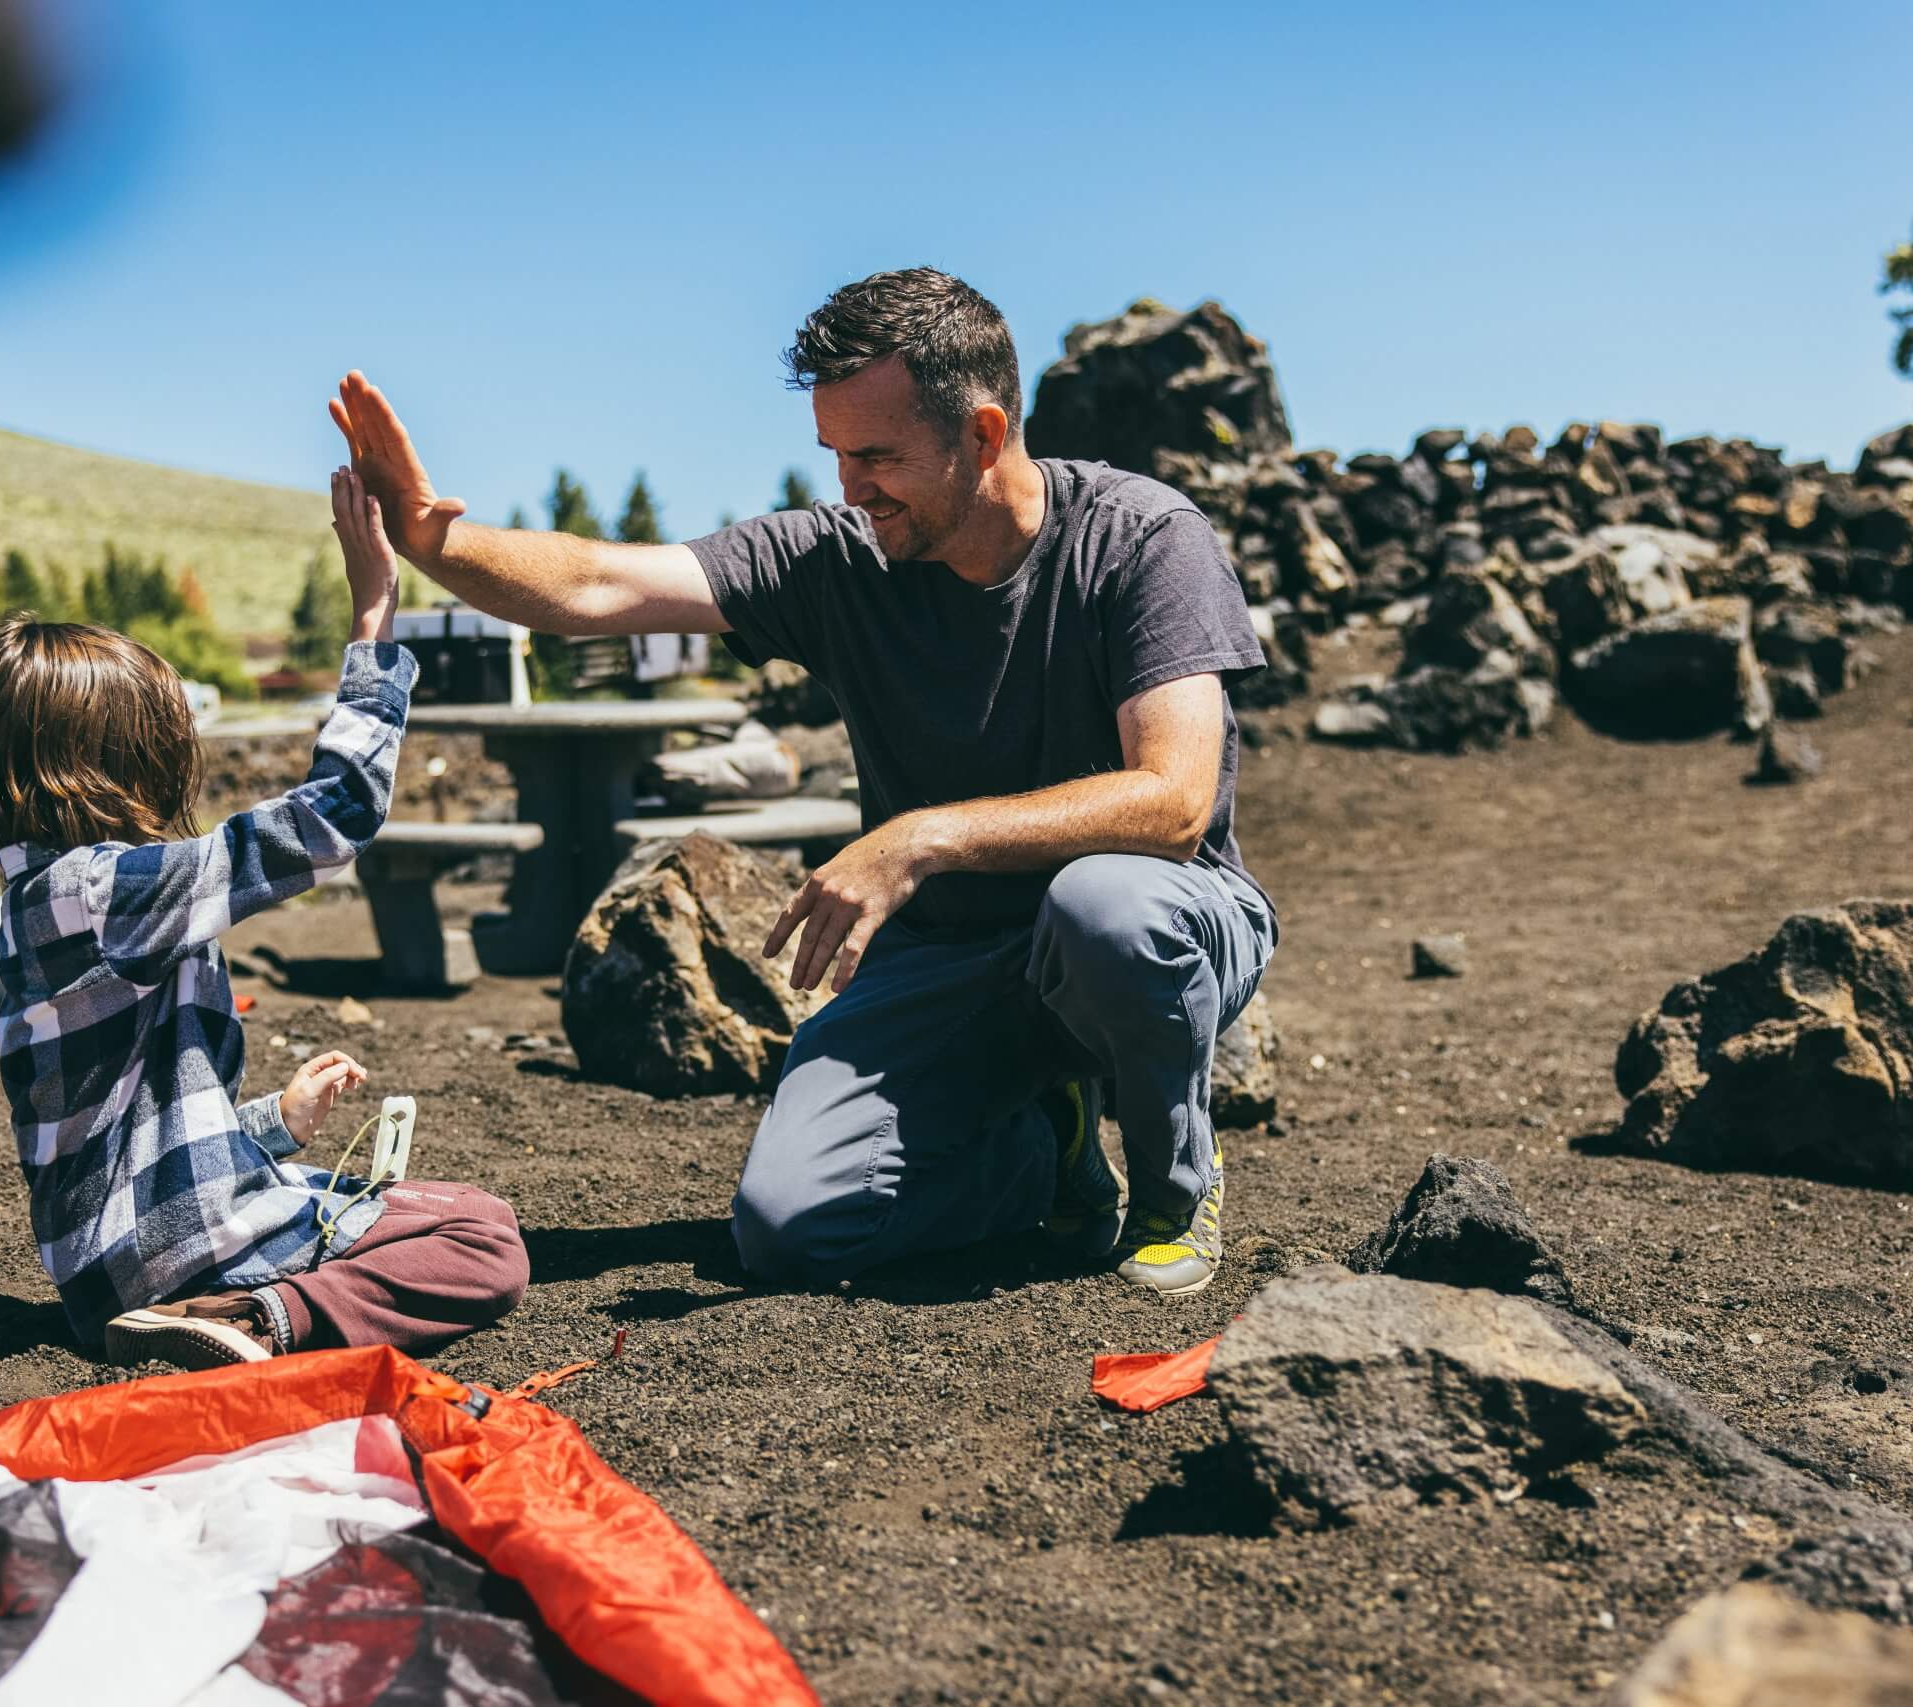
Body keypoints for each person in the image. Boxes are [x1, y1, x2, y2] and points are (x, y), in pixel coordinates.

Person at [328, 267, 1276, 1296]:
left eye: (876, 456)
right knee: (790, 1231)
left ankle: (1175, 1181)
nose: (849, 488)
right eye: (834, 455)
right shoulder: (839, 558)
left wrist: (920, 837)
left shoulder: (1141, 540)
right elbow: (602, 584)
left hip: (1152, 918)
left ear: (984, 433)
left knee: (1105, 906)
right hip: (950, 955)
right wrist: (437, 540)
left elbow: (1174, 803)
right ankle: (1044, 1141)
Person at [0, 463, 529, 1368]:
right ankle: (260, 1319)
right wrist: (374, 620)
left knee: (455, 1214)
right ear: (111, 761)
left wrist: (272, 1122)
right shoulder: (99, 891)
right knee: (484, 1236)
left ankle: (238, 1310)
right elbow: (329, 821)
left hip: (112, 1263)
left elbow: (125, 1135)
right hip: (174, 1251)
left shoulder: (48, 900)